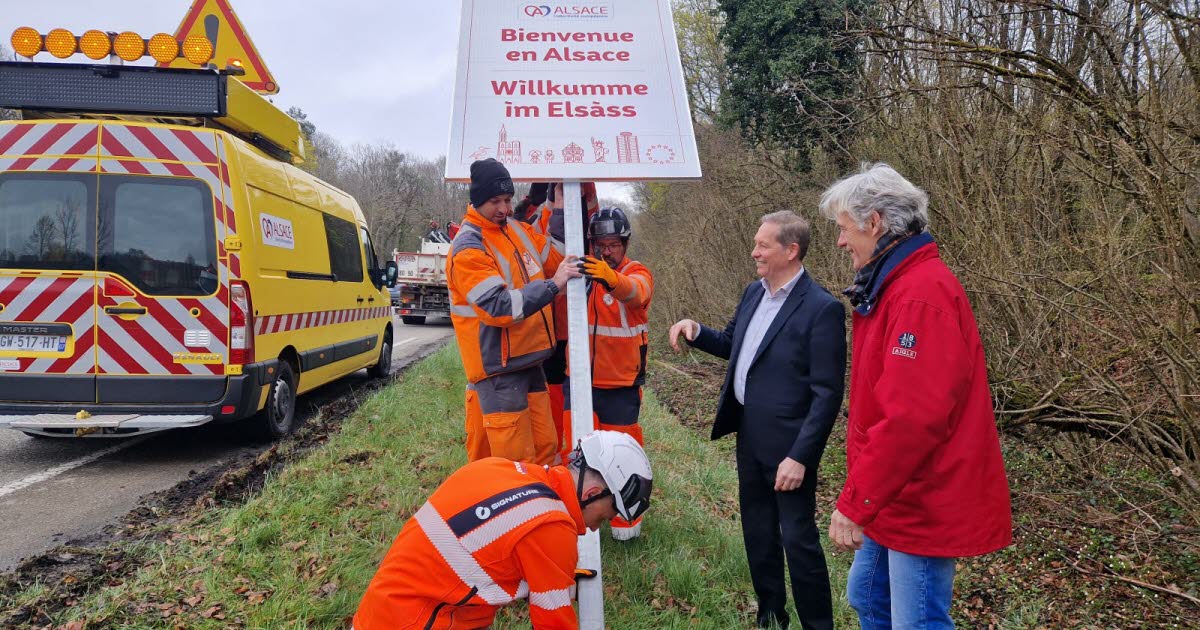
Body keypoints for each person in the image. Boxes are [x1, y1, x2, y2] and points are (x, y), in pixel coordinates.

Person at [818, 163, 1012, 629]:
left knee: (918, 621)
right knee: (867, 596)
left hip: (923, 496)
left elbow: (911, 420)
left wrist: (856, 502)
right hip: (897, 493)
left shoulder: (920, 295)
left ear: (875, 222)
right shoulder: (893, 285)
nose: (841, 242)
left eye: (844, 229)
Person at [668, 211, 846, 630]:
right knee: (759, 535)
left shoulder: (822, 309)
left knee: (799, 542)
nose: (754, 252)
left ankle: (817, 625)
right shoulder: (753, 293)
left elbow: (827, 394)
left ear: (791, 250)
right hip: (749, 437)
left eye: (763, 245)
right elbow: (734, 344)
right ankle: (771, 616)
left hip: (790, 450)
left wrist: (801, 456)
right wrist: (697, 329)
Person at [352, 431, 654, 630]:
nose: (593, 529)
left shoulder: (504, 470)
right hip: (419, 621)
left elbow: (496, 552)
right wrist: (556, 579)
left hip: (380, 612)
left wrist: (556, 575)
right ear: (592, 493)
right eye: (605, 517)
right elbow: (553, 623)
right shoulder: (552, 526)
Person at [446, 159, 580, 465]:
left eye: (507, 200)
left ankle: (548, 512)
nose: (504, 209)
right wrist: (552, 286)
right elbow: (498, 307)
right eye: (495, 201)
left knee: (547, 453)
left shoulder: (517, 230)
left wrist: (558, 207)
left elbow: (557, 255)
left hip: (530, 362)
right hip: (498, 372)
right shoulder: (469, 247)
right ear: (476, 201)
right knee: (514, 467)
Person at [558, 207, 653, 541]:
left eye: (613, 244)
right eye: (601, 243)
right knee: (577, 454)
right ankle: (575, 521)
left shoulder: (635, 271)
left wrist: (609, 278)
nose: (607, 250)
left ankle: (626, 525)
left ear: (624, 244)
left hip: (620, 385)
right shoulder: (581, 276)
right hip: (579, 381)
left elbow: (636, 292)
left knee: (622, 457)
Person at [516, 182, 601, 451]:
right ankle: (557, 456)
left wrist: (580, 177)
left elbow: (589, 213)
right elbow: (522, 234)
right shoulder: (540, 219)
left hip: (579, 327)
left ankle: (575, 456)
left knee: (574, 397)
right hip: (551, 328)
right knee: (552, 397)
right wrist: (536, 199)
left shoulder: (586, 214)